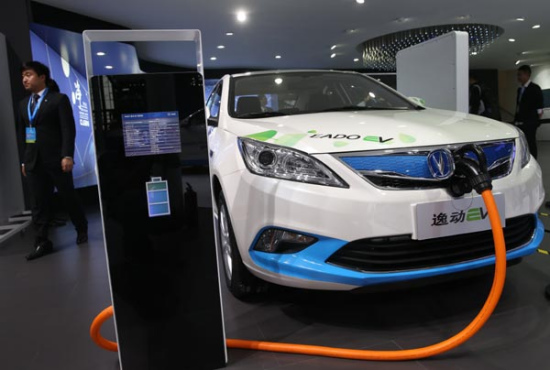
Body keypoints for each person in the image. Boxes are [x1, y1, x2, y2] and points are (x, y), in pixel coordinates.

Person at [17, 61, 88, 261]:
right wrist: (24, 160)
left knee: (68, 196)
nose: (24, 79)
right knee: (38, 202)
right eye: (23, 76)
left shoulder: (59, 99)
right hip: (33, 162)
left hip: (57, 160)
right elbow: (25, 134)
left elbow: (68, 129)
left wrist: (67, 155)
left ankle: (81, 227)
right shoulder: (23, 105)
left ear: (42, 77)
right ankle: (41, 241)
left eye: (29, 74)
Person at [514, 65, 544, 159]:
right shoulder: (519, 89)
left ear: (527, 75)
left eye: (520, 75)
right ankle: (524, 159)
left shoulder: (535, 88)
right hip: (520, 120)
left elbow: (539, 105)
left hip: (531, 121)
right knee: (522, 142)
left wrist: (536, 120)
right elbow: (518, 105)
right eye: (518, 75)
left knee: (531, 141)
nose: (518, 77)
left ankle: (533, 159)